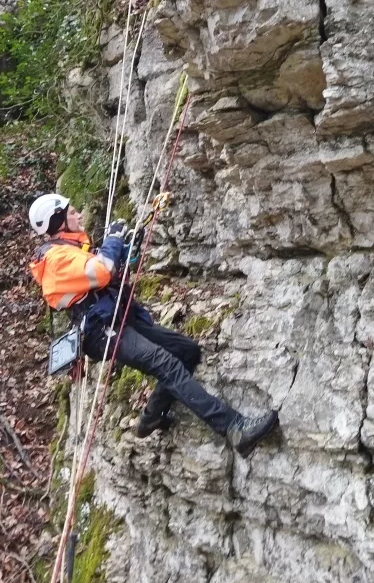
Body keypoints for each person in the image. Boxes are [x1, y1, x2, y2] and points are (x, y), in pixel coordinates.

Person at [28, 193, 279, 457]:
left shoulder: (71, 251)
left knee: (186, 351)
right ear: (58, 222)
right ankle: (234, 428)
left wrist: (126, 252)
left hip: (120, 318)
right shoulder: (57, 260)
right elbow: (101, 271)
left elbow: (106, 273)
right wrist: (113, 239)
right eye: (72, 213)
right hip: (101, 331)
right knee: (165, 363)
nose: (79, 216)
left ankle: (152, 416)